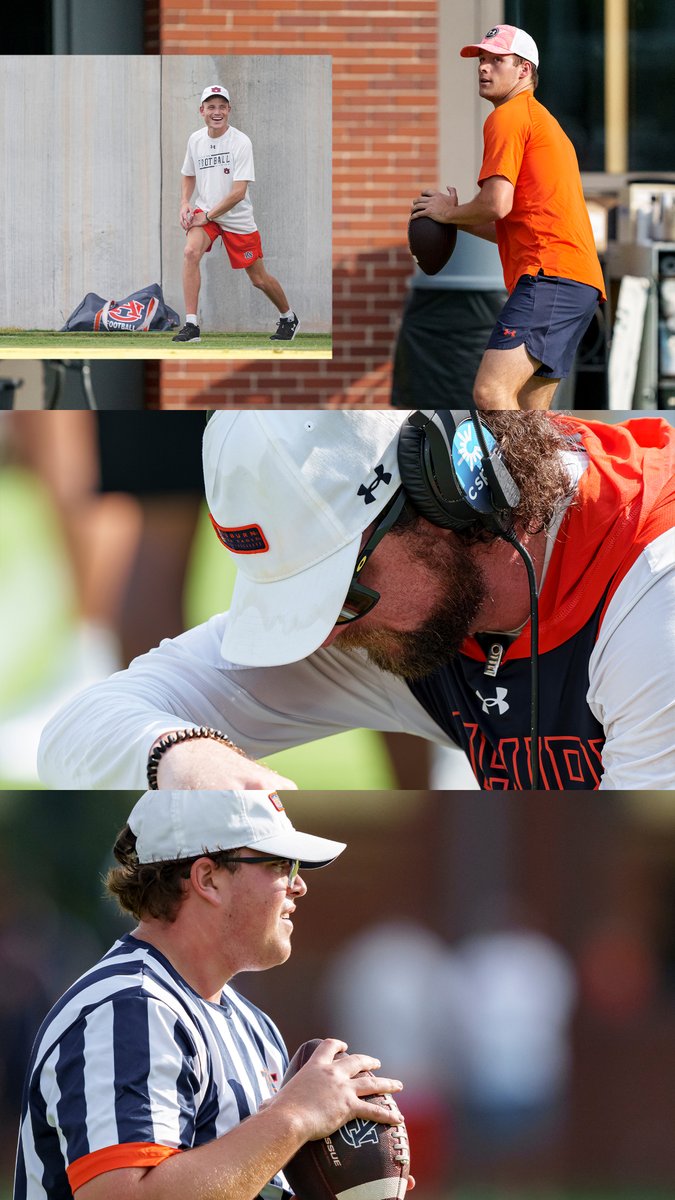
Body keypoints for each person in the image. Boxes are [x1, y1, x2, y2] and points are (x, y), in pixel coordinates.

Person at [38, 410, 675, 792]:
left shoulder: (654, 598)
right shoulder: (409, 609)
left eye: (339, 595)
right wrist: (179, 756)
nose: (323, 638)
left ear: (444, 491)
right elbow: (76, 734)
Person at [14, 789, 407, 1200]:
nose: (299, 885)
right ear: (208, 878)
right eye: (279, 864)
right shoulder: (128, 1009)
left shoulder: (254, 1026)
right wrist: (295, 1117)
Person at [411, 25, 605, 411]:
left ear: (524, 71)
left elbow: (496, 204)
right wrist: (452, 219)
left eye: (497, 60)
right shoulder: (540, 120)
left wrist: (448, 211)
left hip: (550, 278)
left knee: (491, 392)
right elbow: (509, 225)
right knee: (532, 412)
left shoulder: (508, 117)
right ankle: (547, 474)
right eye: (482, 60)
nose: (484, 68)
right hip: (577, 284)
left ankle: (513, 474)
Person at [173, 85, 299, 344]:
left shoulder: (241, 142)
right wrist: (185, 202)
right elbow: (188, 172)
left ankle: (288, 317)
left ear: (229, 110)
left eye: (221, 107)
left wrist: (207, 216)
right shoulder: (195, 140)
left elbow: (238, 192)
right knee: (190, 252)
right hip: (206, 213)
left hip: (235, 218)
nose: (216, 112)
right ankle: (191, 325)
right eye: (211, 107)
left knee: (258, 279)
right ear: (202, 111)